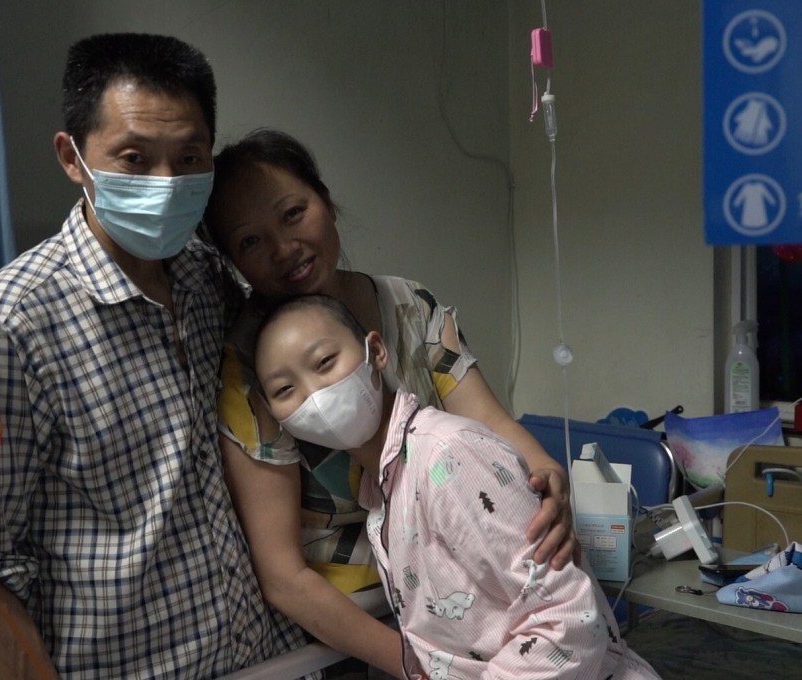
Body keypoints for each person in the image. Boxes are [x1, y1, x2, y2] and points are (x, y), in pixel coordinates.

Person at [0, 34, 309, 680]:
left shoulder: (210, 278)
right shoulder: (9, 326)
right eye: (133, 158)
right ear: (73, 157)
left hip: (265, 658)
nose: (166, 183)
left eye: (189, 157)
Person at [202, 129, 576, 677]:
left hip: (460, 586)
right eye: (250, 242)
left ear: (326, 201)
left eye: (292, 213)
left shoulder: (410, 307)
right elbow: (284, 576)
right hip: (351, 627)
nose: (284, 250)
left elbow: (493, 425)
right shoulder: (252, 372)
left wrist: (546, 476)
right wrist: (410, 664)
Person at [253, 294, 661, 679]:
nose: (315, 395)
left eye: (325, 362)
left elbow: (567, 621)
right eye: (285, 390)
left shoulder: (450, 456)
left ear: (375, 352)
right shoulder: (382, 490)